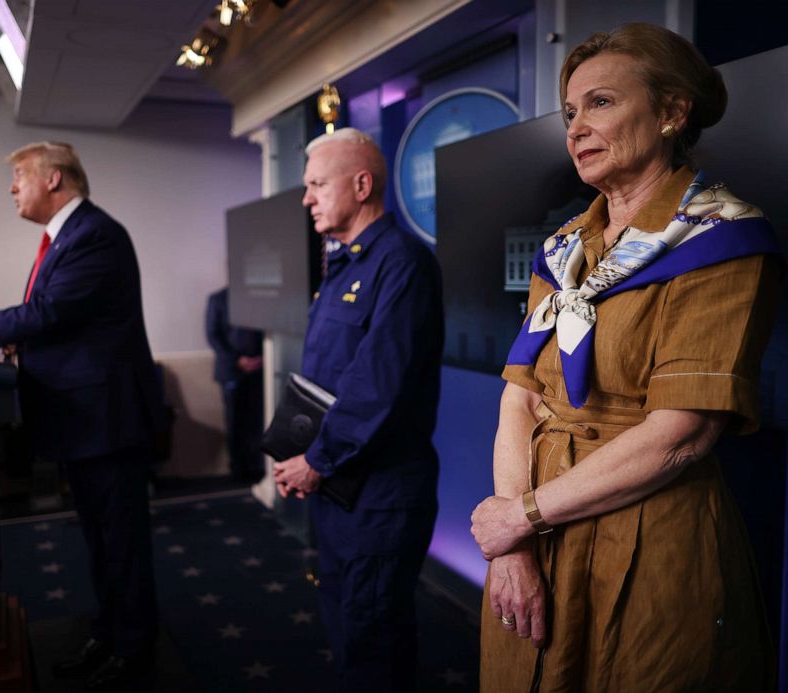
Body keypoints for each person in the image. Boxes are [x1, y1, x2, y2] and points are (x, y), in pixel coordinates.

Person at [470, 23, 781, 691]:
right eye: (571, 112)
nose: (577, 127)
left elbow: (680, 436)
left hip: (649, 534)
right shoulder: (560, 251)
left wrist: (519, 517)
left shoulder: (724, 239)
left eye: (602, 102)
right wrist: (513, 539)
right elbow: (520, 397)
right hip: (532, 532)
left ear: (672, 112)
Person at [0, 141, 163, 691]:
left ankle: (133, 650)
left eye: (20, 176)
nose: (13, 187)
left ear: (54, 179)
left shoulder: (95, 235)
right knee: (101, 542)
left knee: (120, 544)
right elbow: (68, 327)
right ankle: (110, 633)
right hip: (87, 423)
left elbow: (50, 311)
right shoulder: (65, 238)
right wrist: (18, 351)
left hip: (107, 424)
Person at [273, 127, 444, 690]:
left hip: (380, 494)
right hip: (338, 487)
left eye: (318, 183)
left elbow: (377, 386)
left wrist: (316, 460)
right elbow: (325, 376)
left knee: (372, 634)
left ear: (363, 183)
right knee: (346, 623)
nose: (306, 197)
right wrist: (303, 457)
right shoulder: (344, 266)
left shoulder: (403, 264)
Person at [205, 286, 264, 482]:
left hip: (259, 369)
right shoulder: (218, 299)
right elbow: (213, 335)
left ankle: (257, 465)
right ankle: (238, 468)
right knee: (235, 421)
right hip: (231, 371)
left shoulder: (261, 295)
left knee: (258, 420)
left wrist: (264, 357)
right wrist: (237, 360)